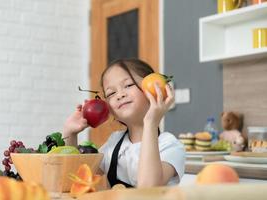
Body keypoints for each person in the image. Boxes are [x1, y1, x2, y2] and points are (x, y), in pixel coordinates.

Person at [63, 58, 185, 188]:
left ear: (153, 88)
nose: (119, 95)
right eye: (111, 93)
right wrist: (70, 134)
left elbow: (148, 188)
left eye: (128, 85)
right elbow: (78, 178)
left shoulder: (170, 145)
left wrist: (151, 122)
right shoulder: (114, 143)